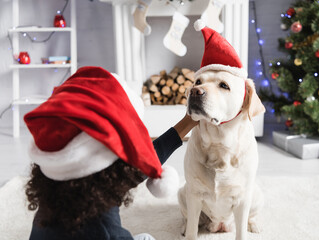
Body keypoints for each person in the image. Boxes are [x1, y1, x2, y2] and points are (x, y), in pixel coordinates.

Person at [24, 66, 198, 240]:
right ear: (118, 168)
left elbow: (144, 161)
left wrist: (186, 124)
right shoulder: (106, 230)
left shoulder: (54, 192)